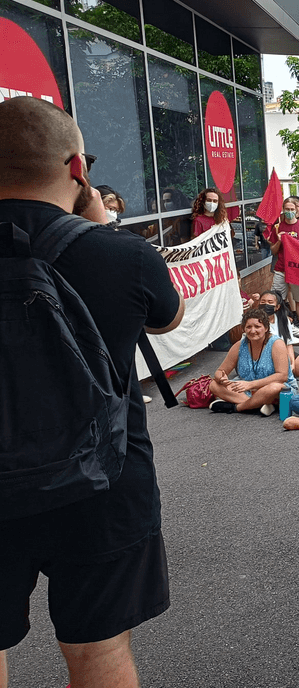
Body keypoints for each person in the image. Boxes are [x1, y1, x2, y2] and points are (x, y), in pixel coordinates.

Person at [0, 96, 185, 687]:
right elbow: (166, 321)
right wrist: (98, 227)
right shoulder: (123, 255)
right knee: (97, 653)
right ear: (78, 168)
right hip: (101, 479)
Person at [209, 309, 296, 415]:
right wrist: (221, 378)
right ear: (244, 329)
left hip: (273, 388)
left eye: (257, 326)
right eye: (248, 327)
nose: (252, 330)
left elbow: (282, 376)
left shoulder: (277, 344)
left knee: (274, 388)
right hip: (246, 389)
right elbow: (220, 370)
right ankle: (258, 404)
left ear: (266, 328)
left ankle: (238, 407)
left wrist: (251, 385)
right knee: (214, 385)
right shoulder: (239, 345)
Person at [267, 196, 299, 335]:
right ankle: (275, 323)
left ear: (297, 210)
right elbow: (273, 251)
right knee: (275, 298)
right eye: (287, 209)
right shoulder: (277, 227)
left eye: (292, 209)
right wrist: (280, 241)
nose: (289, 212)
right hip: (281, 268)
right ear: (283, 210)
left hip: (297, 270)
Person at [258, 290, 299, 377]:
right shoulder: (255, 321)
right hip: (264, 357)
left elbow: (289, 344)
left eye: (270, 302)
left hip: (283, 354)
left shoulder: (283, 320)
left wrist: (292, 364)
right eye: (263, 302)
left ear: (277, 307)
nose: (266, 304)